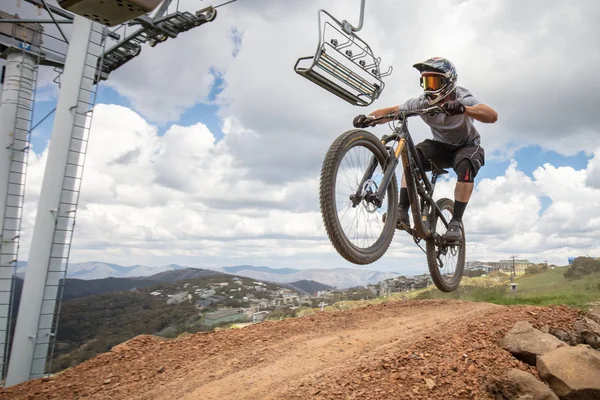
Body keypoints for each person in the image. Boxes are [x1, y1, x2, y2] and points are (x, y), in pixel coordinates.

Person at [353, 56, 498, 241]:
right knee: (411, 158)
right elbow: (390, 112)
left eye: (435, 81)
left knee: (465, 165)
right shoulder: (421, 102)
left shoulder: (462, 97)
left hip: (467, 146)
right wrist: (369, 119)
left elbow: (492, 116)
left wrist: (463, 109)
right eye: (426, 82)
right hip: (441, 146)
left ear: (448, 82)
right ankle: (401, 211)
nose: (430, 88)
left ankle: (455, 222)